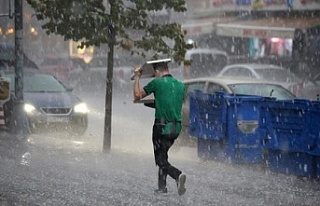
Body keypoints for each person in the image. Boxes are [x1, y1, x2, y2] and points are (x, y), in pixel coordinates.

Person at [133, 60, 186, 196]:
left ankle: (177, 175)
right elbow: (172, 103)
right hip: (176, 127)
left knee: (160, 160)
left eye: (154, 73)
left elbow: (137, 96)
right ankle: (162, 187)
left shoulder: (156, 83)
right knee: (163, 155)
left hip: (161, 127)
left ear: (157, 71)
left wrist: (137, 77)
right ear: (167, 68)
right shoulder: (180, 85)